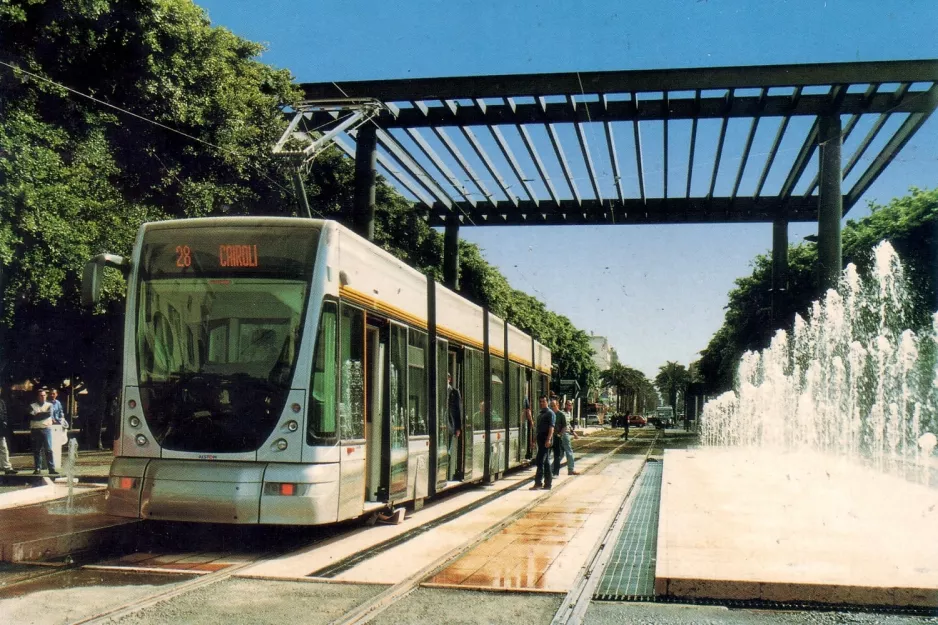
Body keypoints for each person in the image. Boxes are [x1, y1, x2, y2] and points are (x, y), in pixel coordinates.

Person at [29, 389, 57, 475]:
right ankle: (37, 468)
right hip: (35, 430)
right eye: (41, 395)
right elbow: (32, 416)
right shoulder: (32, 406)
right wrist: (40, 415)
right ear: (37, 397)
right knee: (37, 450)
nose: (43, 397)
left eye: (44, 395)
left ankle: (51, 468)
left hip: (46, 429)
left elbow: (47, 414)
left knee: (48, 449)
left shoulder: (50, 405)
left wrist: (38, 414)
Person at [530, 396, 554, 491]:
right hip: (540, 439)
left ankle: (538, 483)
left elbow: (551, 428)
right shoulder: (540, 414)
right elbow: (538, 430)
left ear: (547, 402)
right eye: (540, 402)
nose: (541, 403)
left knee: (540, 461)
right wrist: (534, 440)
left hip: (545, 440)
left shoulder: (550, 413)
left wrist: (548, 439)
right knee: (546, 462)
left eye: (543, 401)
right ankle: (548, 484)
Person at [551, 398, 579, 476]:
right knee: (569, 451)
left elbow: (568, 425)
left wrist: (574, 433)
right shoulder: (563, 413)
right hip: (564, 435)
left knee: (560, 454)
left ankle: (550, 469)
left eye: (571, 405)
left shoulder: (568, 413)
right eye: (568, 405)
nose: (570, 406)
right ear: (565, 405)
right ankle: (571, 469)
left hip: (563, 434)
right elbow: (565, 426)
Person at [446, 373, 462, 480]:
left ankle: (448, 474)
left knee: (448, 452)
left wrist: (458, 428)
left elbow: (458, 411)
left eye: (446, 378)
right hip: (441, 426)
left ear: (449, 379)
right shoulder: (437, 389)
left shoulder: (454, 392)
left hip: (450, 426)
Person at [0, 387, 15, 475]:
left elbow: (4, 413)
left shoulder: (1, 402)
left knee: (4, 448)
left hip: (1, 430)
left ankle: (7, 468)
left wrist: (4, 422)